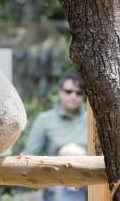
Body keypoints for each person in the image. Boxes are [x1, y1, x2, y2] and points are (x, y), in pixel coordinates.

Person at [22, 73, 87, 201]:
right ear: (60, 92)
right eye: (68, 91)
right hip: (55, 189)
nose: (73, 96)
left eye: (78, 93)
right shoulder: (45, 120)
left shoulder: (91, 119)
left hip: (89, 188)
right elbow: (29, 155)